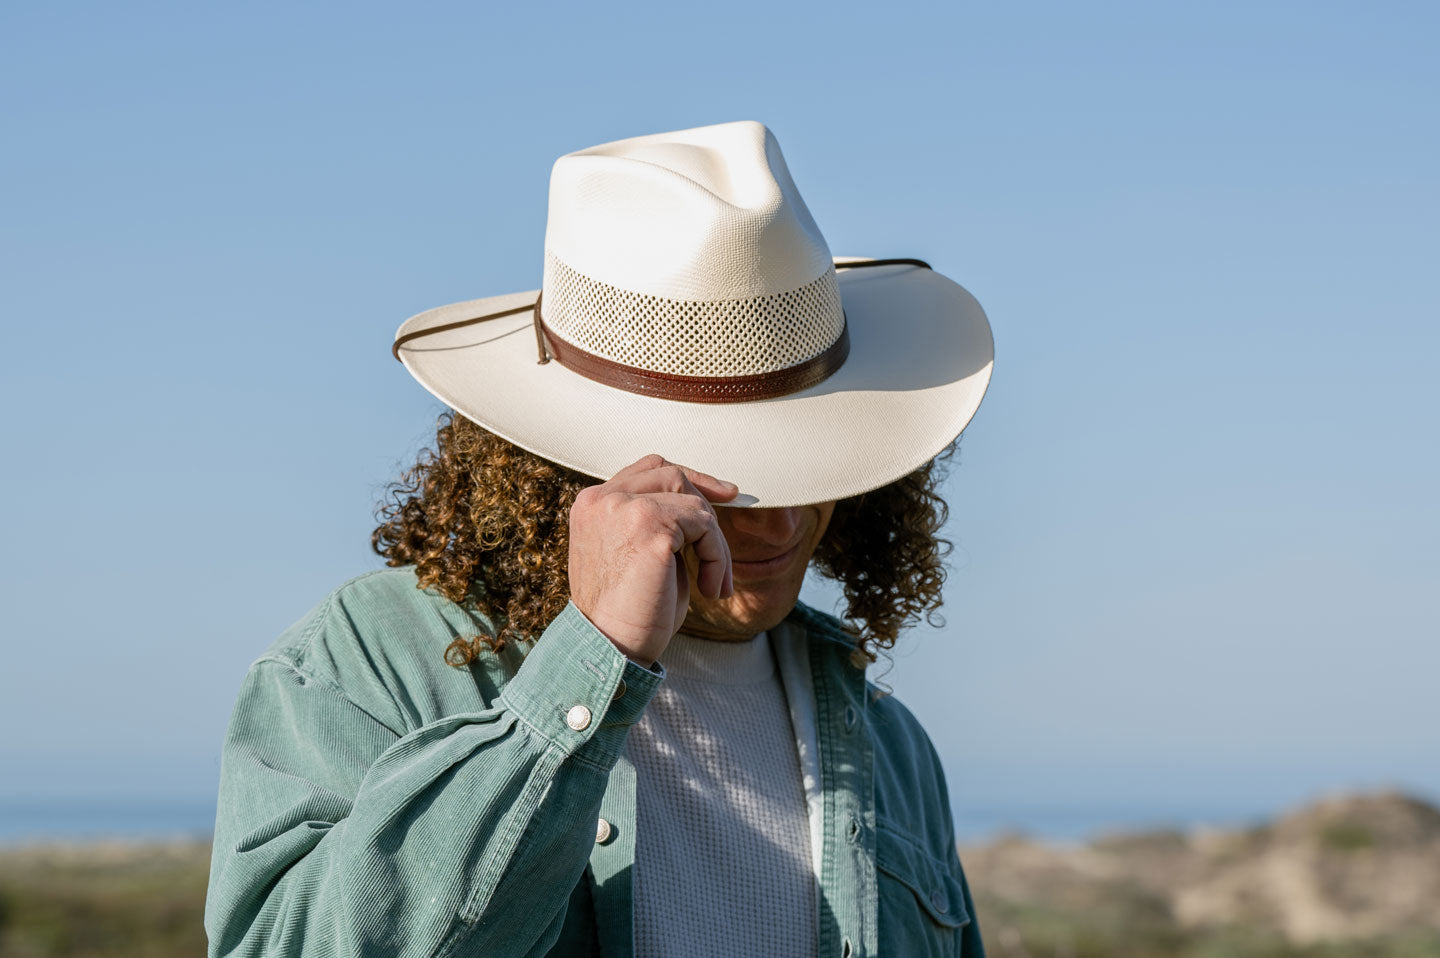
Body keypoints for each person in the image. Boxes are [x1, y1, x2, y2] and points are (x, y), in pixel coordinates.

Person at [204, 120, 995, 957]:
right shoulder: (366, 663)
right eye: (732, 476)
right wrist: (594, 660)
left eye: (817, 464)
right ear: (567, 468)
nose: (785, 519)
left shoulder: (889, 744)